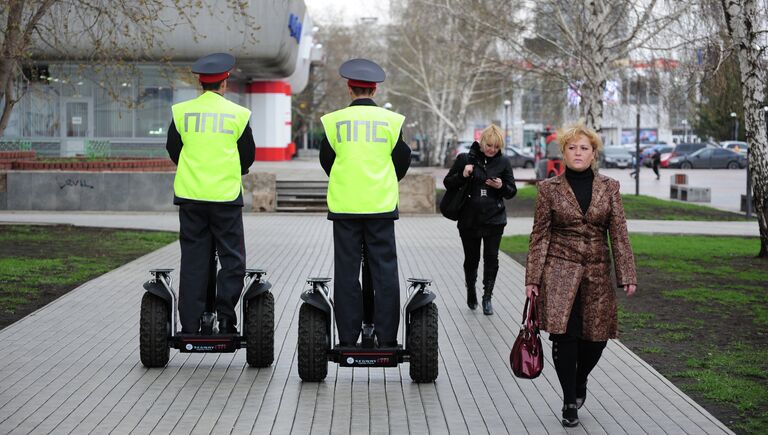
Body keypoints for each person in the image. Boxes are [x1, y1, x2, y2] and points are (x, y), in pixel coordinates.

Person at [524, 122, 637, 427]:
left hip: (597, 273)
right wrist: (532, 279)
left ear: (593, 153)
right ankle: (568, 402)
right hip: (559, 271)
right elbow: (540, 236)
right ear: (563, 152)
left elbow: (619, 233)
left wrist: (627, 273)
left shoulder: (609, 187)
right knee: (564, 335)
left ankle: (580, 380)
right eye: (572, 147)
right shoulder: (549, 189)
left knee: (597, 339)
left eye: (584, 148)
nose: (578, 153)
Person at [319, 58, 411, 348]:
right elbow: (402, 159)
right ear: (374, 90)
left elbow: (327, 160)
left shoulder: (333, 121)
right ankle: (386, 338)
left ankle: (347, 337)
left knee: (347, 272)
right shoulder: (391, 122)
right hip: (380, 206)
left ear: (350, 89)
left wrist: (346, 178)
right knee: (384, 271)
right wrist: (384, 179)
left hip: (345, 206)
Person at [166, 53, 255, 334]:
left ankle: (191, 324)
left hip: (191, 197)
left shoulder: (181, 112)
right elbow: (247, 156)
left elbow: (173, 150)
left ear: (200, 84)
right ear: (225, 83)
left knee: (193, 259)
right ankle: (226, 318)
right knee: (232, 259)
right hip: (225, 198)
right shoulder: (238, 115)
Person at [443, 125, 517, 315]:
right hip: (469, 219)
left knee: (491, 258)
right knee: (472, 259)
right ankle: (470, 289)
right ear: (482, 142)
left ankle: (487, 297)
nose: (492, 149)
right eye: (489, 145)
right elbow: (448, 183)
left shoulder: (504, 162)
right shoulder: (465, 159)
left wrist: (500, 186)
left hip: (495, 219)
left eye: (496, 146)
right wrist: (463, 174)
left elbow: (511, 191)